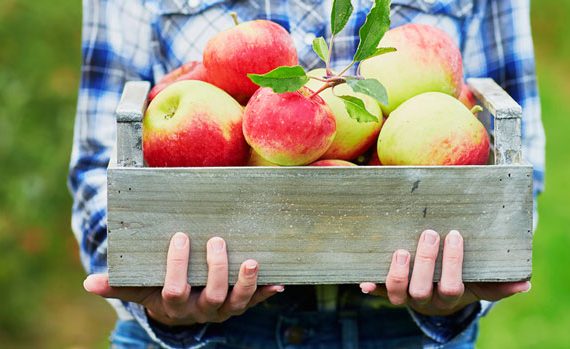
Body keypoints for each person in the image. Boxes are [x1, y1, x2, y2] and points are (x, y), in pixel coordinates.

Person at [69, 0, 545, 348]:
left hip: (400, 332)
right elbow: (99, 163)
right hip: (202, 338)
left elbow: (514, 164)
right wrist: (154, 292)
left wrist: (461, 290)